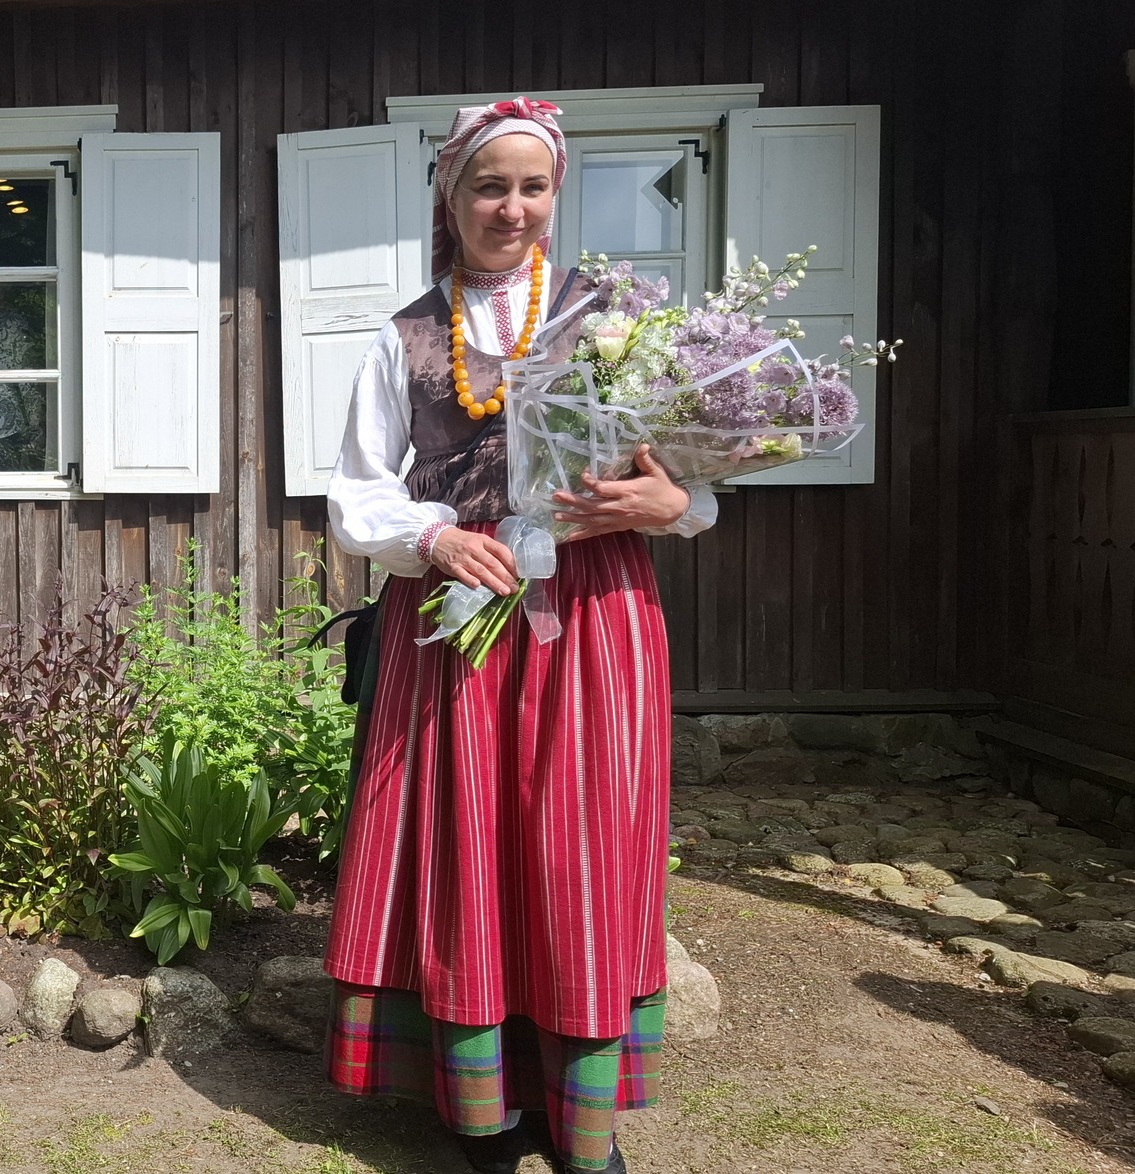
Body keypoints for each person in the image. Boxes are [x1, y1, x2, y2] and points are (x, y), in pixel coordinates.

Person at [321, 97, 719, 1174]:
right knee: (472, 849)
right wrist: (437, 538)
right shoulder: (403, 334)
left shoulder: (618, 326)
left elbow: (692, 491)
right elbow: (355, 499)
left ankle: (578, 1121)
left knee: (579, 850)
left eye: (530, 186)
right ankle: (484, 1119)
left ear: (554, 196)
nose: (510, 206)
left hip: (593, 621)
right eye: (486, 185)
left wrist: (663, 506)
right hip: (460, 623)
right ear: (448, 200)